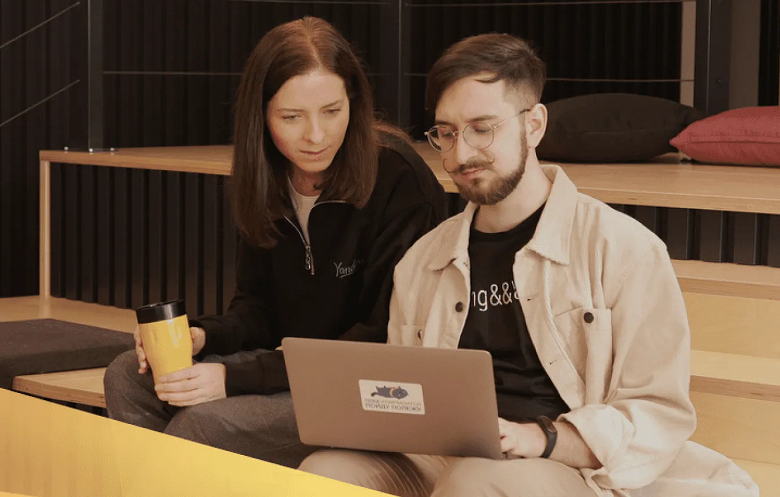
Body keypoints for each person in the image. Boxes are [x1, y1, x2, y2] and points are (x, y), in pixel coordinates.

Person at [297, 33, 759, 497]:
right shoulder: (422, 261)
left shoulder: (624, 249)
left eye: (482, 128)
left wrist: (543, 437)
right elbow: (407, 397)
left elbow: (656, 412)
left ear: (534, 125)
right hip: (443, 460)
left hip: (568, 468)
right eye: (447, 133)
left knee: (474, 480)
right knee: (322, 472)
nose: (461, 154)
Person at [104, 16, 447, 468]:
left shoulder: (397, 178)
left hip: (369, 385)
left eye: (332, 111)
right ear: (262, 115)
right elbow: (258, 309)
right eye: (291, 117)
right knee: (127, 376)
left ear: (354, 101)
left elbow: (378, 338)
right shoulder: (266, 177)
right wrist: (203, 336)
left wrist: (235, 378)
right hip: (292, 369)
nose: (316, 135)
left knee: (203, 424)